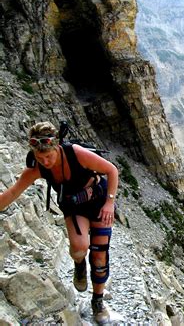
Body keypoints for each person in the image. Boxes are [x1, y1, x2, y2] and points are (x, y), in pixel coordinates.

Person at [0, 122, 119, 324]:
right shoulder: (37, 167)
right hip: (74, 207)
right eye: (40, 157)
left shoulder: (76, 153)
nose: (45, 161)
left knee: (100, 255)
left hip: (99, 201)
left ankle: (97, 301)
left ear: (57, 147)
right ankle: (79, 265)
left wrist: (110, 203)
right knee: (79, 248)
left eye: (49, 156)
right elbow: (13, 192)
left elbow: (111, 170)